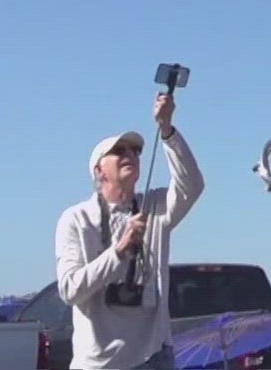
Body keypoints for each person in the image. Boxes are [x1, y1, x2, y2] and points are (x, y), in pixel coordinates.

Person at [55, 90, 203, 370]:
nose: (130, 155)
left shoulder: (154, 205)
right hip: (99, 364)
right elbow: (69, 290)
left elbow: (192, 184)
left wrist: (167, 129)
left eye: (135, 150)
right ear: (99, 171)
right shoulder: (75, 218)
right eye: (119, 151)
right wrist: (119, 250)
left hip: (153, 356)